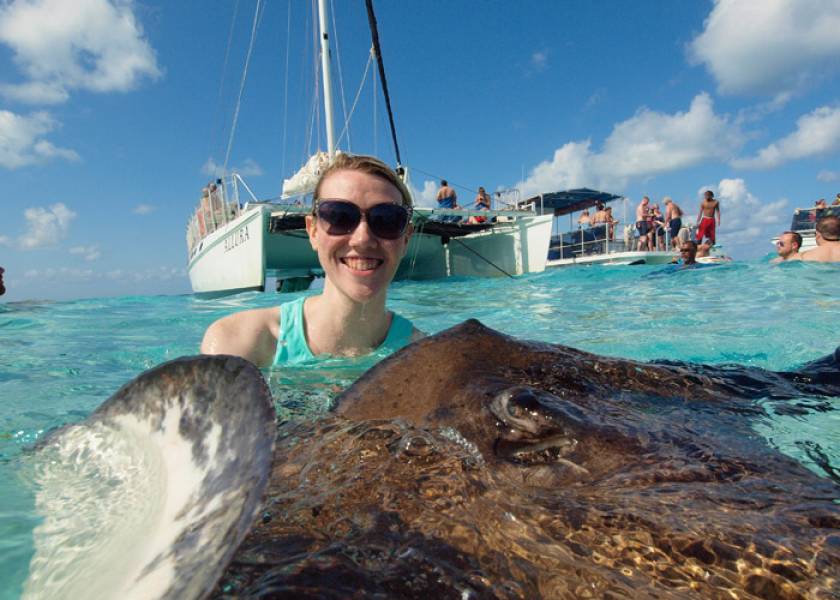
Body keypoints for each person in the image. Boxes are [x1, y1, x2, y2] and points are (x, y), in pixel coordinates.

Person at [201, 154, 423, 367]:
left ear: (406, 239)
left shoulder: (425, 357)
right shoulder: (239, 344)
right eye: (339, 216)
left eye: (387, 220)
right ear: (313, 231)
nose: (362, 239)